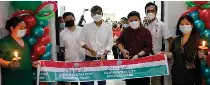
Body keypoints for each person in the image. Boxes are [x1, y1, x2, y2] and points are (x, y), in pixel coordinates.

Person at [161, 15, 205, 85]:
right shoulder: (176, 40)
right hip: (177, 75)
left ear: (192, 25)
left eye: (187, 24)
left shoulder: (198, 39)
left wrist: (202, 56)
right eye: (182, 24)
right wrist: (164, 54)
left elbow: (204, 56)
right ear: (179, 26)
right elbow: (173, 54)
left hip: (192, 76)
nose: (184, 26)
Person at [79, 5, 113, 85]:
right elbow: (80, 41)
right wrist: (90, 50)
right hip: (89, 59)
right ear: (91, 15)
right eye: (94, 14)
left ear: (102, 14)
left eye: (98, 13)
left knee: (101, 82)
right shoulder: (86, 27)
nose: (97, 15)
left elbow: (110, 42)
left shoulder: (107, 27)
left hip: (102, 59)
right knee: (88, 82)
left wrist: (105, 53)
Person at [116, 11, 152, 85]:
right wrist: (122, 49)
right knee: (130, 82)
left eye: (135, 20)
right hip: (129, 64)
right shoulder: (125, 31)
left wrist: (138, 55)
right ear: (128, 21)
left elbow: (148, 47)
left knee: (143, 82)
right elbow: (119, 41)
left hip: (142, 64)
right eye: (131, 21)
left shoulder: (145, 31)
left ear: (139, 20)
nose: (133, 22)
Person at [0, 17, 38, 85]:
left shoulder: (26, 42)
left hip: (27, 80)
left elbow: (25, 58)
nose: (24, 30)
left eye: (25, 28)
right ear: (12, 29)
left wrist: (31, 63)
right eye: (21, 28)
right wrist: (9, 64)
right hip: (12, 81)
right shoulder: (4, 42)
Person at [144, 2, 173, 85]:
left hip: (156, 57)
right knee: (146, 79)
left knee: (155, 81)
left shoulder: (161, 25)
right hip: (145, 56)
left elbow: (170, 40)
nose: (150, 13)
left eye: (152, 11)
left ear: (156, 12)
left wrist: (168, 53)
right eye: (148, 11)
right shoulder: (144, 25)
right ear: (145, 12)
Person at [59, 12, 85, 85]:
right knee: (74, 82)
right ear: (64, 21)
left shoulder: (82, 30)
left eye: (70, 18)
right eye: (66, 19)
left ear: (74, 18)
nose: (69, 20)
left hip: (83, 59)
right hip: (70, 61)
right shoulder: (62, 33)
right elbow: (62, 47)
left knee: (84, 81)